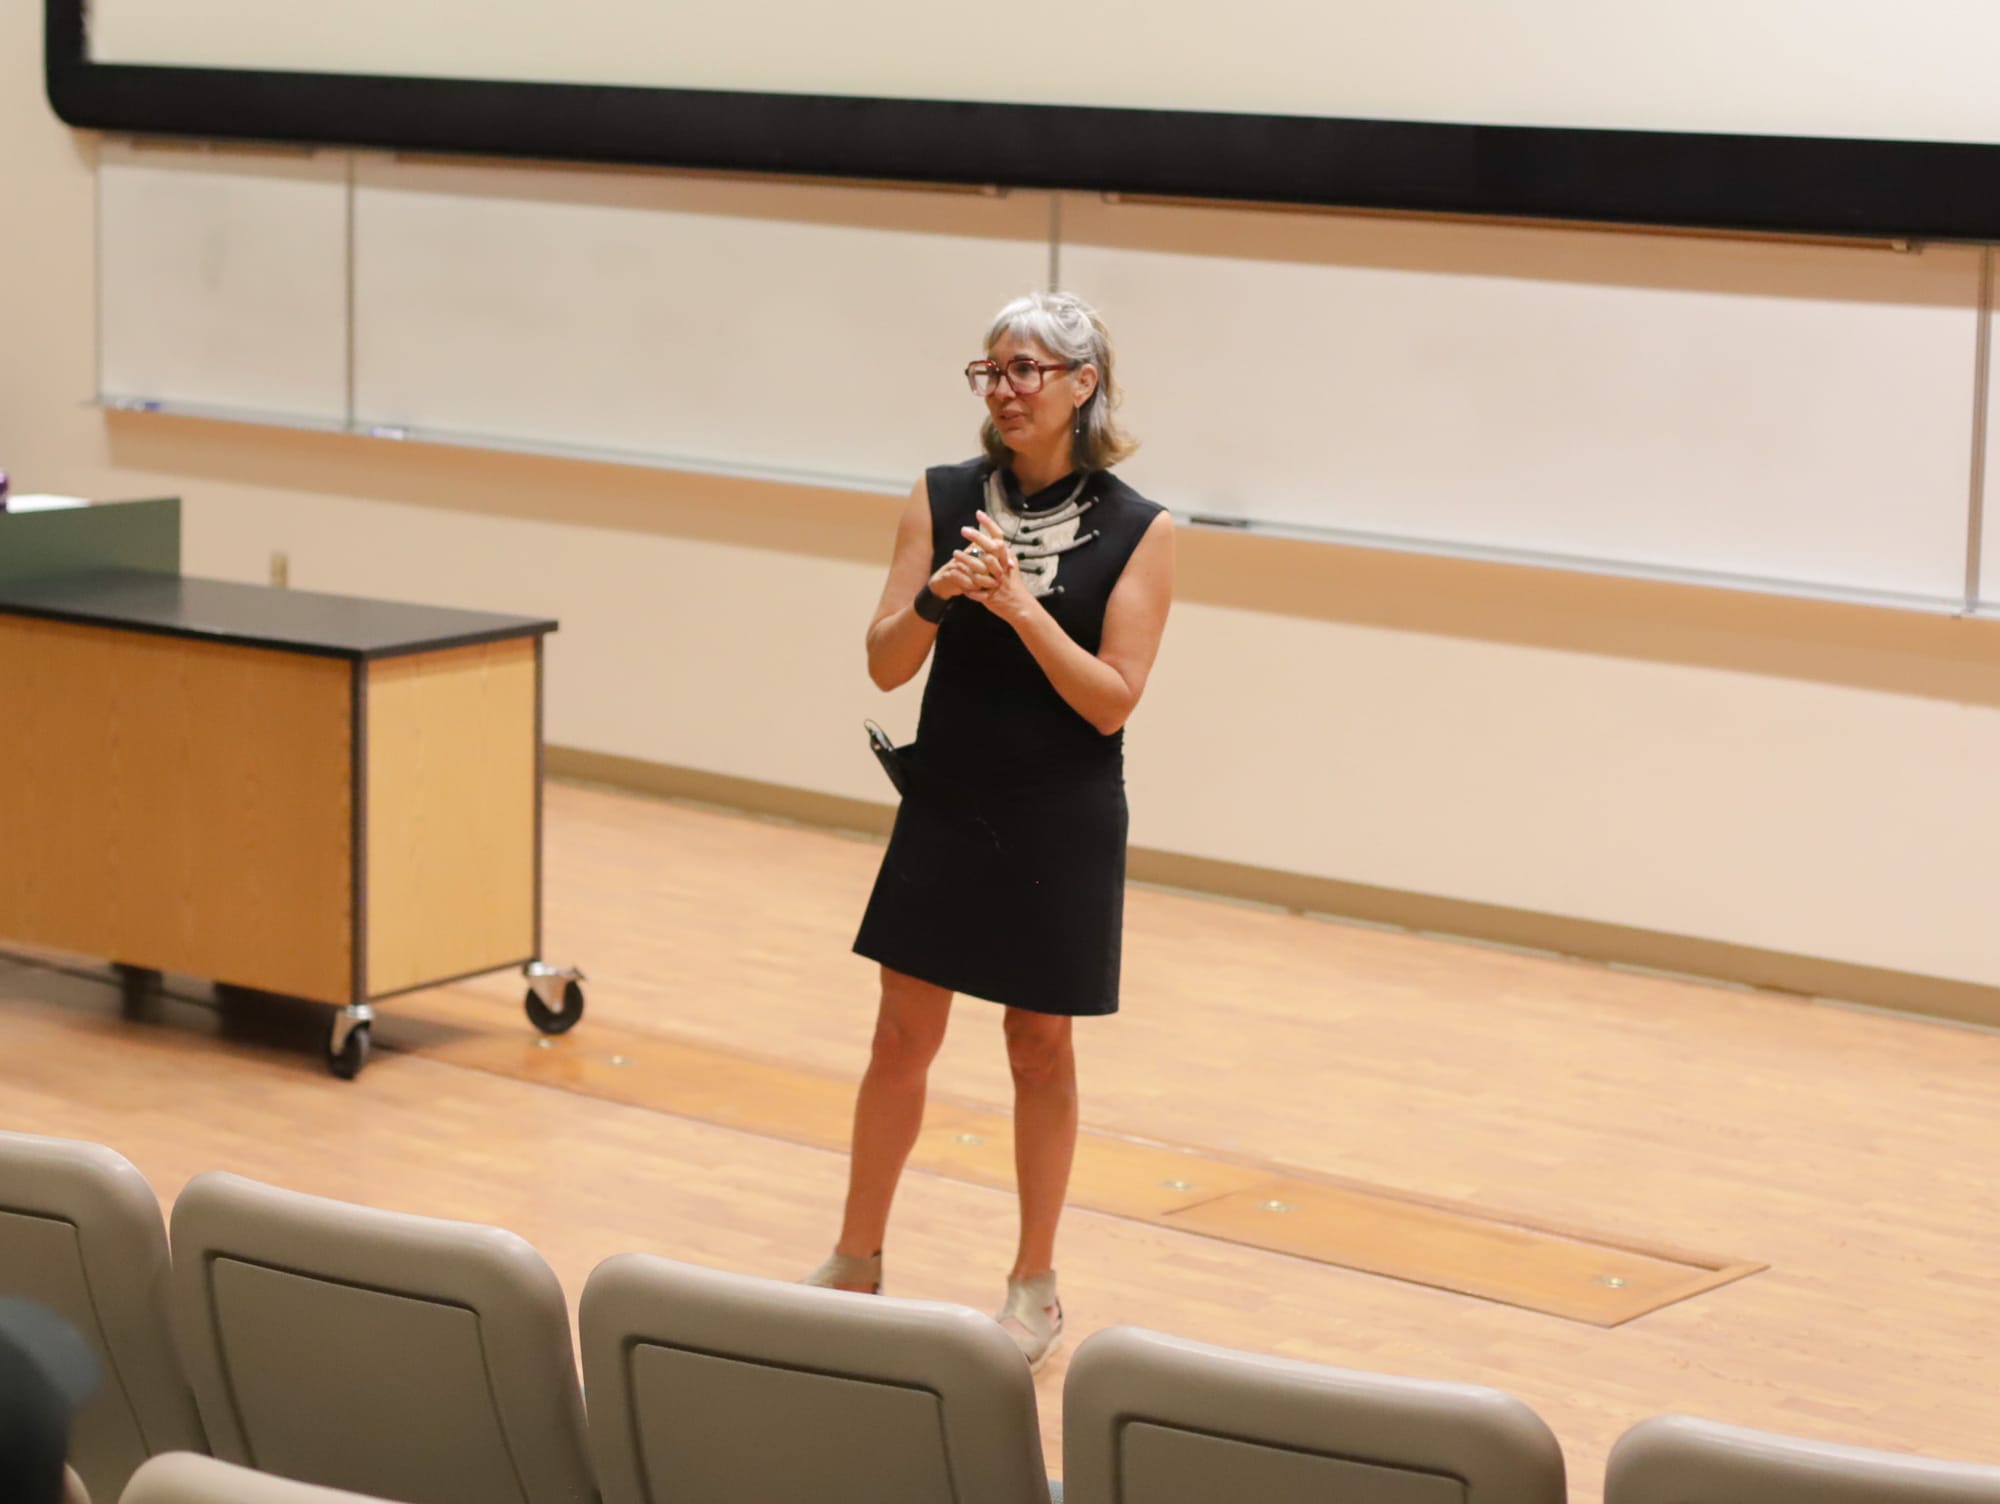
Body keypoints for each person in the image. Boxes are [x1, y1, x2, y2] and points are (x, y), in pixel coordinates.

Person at [806, 290, 1175, 1371]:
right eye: (991, 370)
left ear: (1081, 385)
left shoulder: (1140, 529)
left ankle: (1034, 1284)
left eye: (1025, 370)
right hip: (951, 799)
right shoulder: (942, 495)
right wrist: (936, 598)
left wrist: (1019, 607)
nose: (1004, 390)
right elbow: (885, 663)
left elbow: (1110, 700)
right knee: (898, 1038)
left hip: (1059, 814)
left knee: (1037, 1046)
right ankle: (857, 1257)